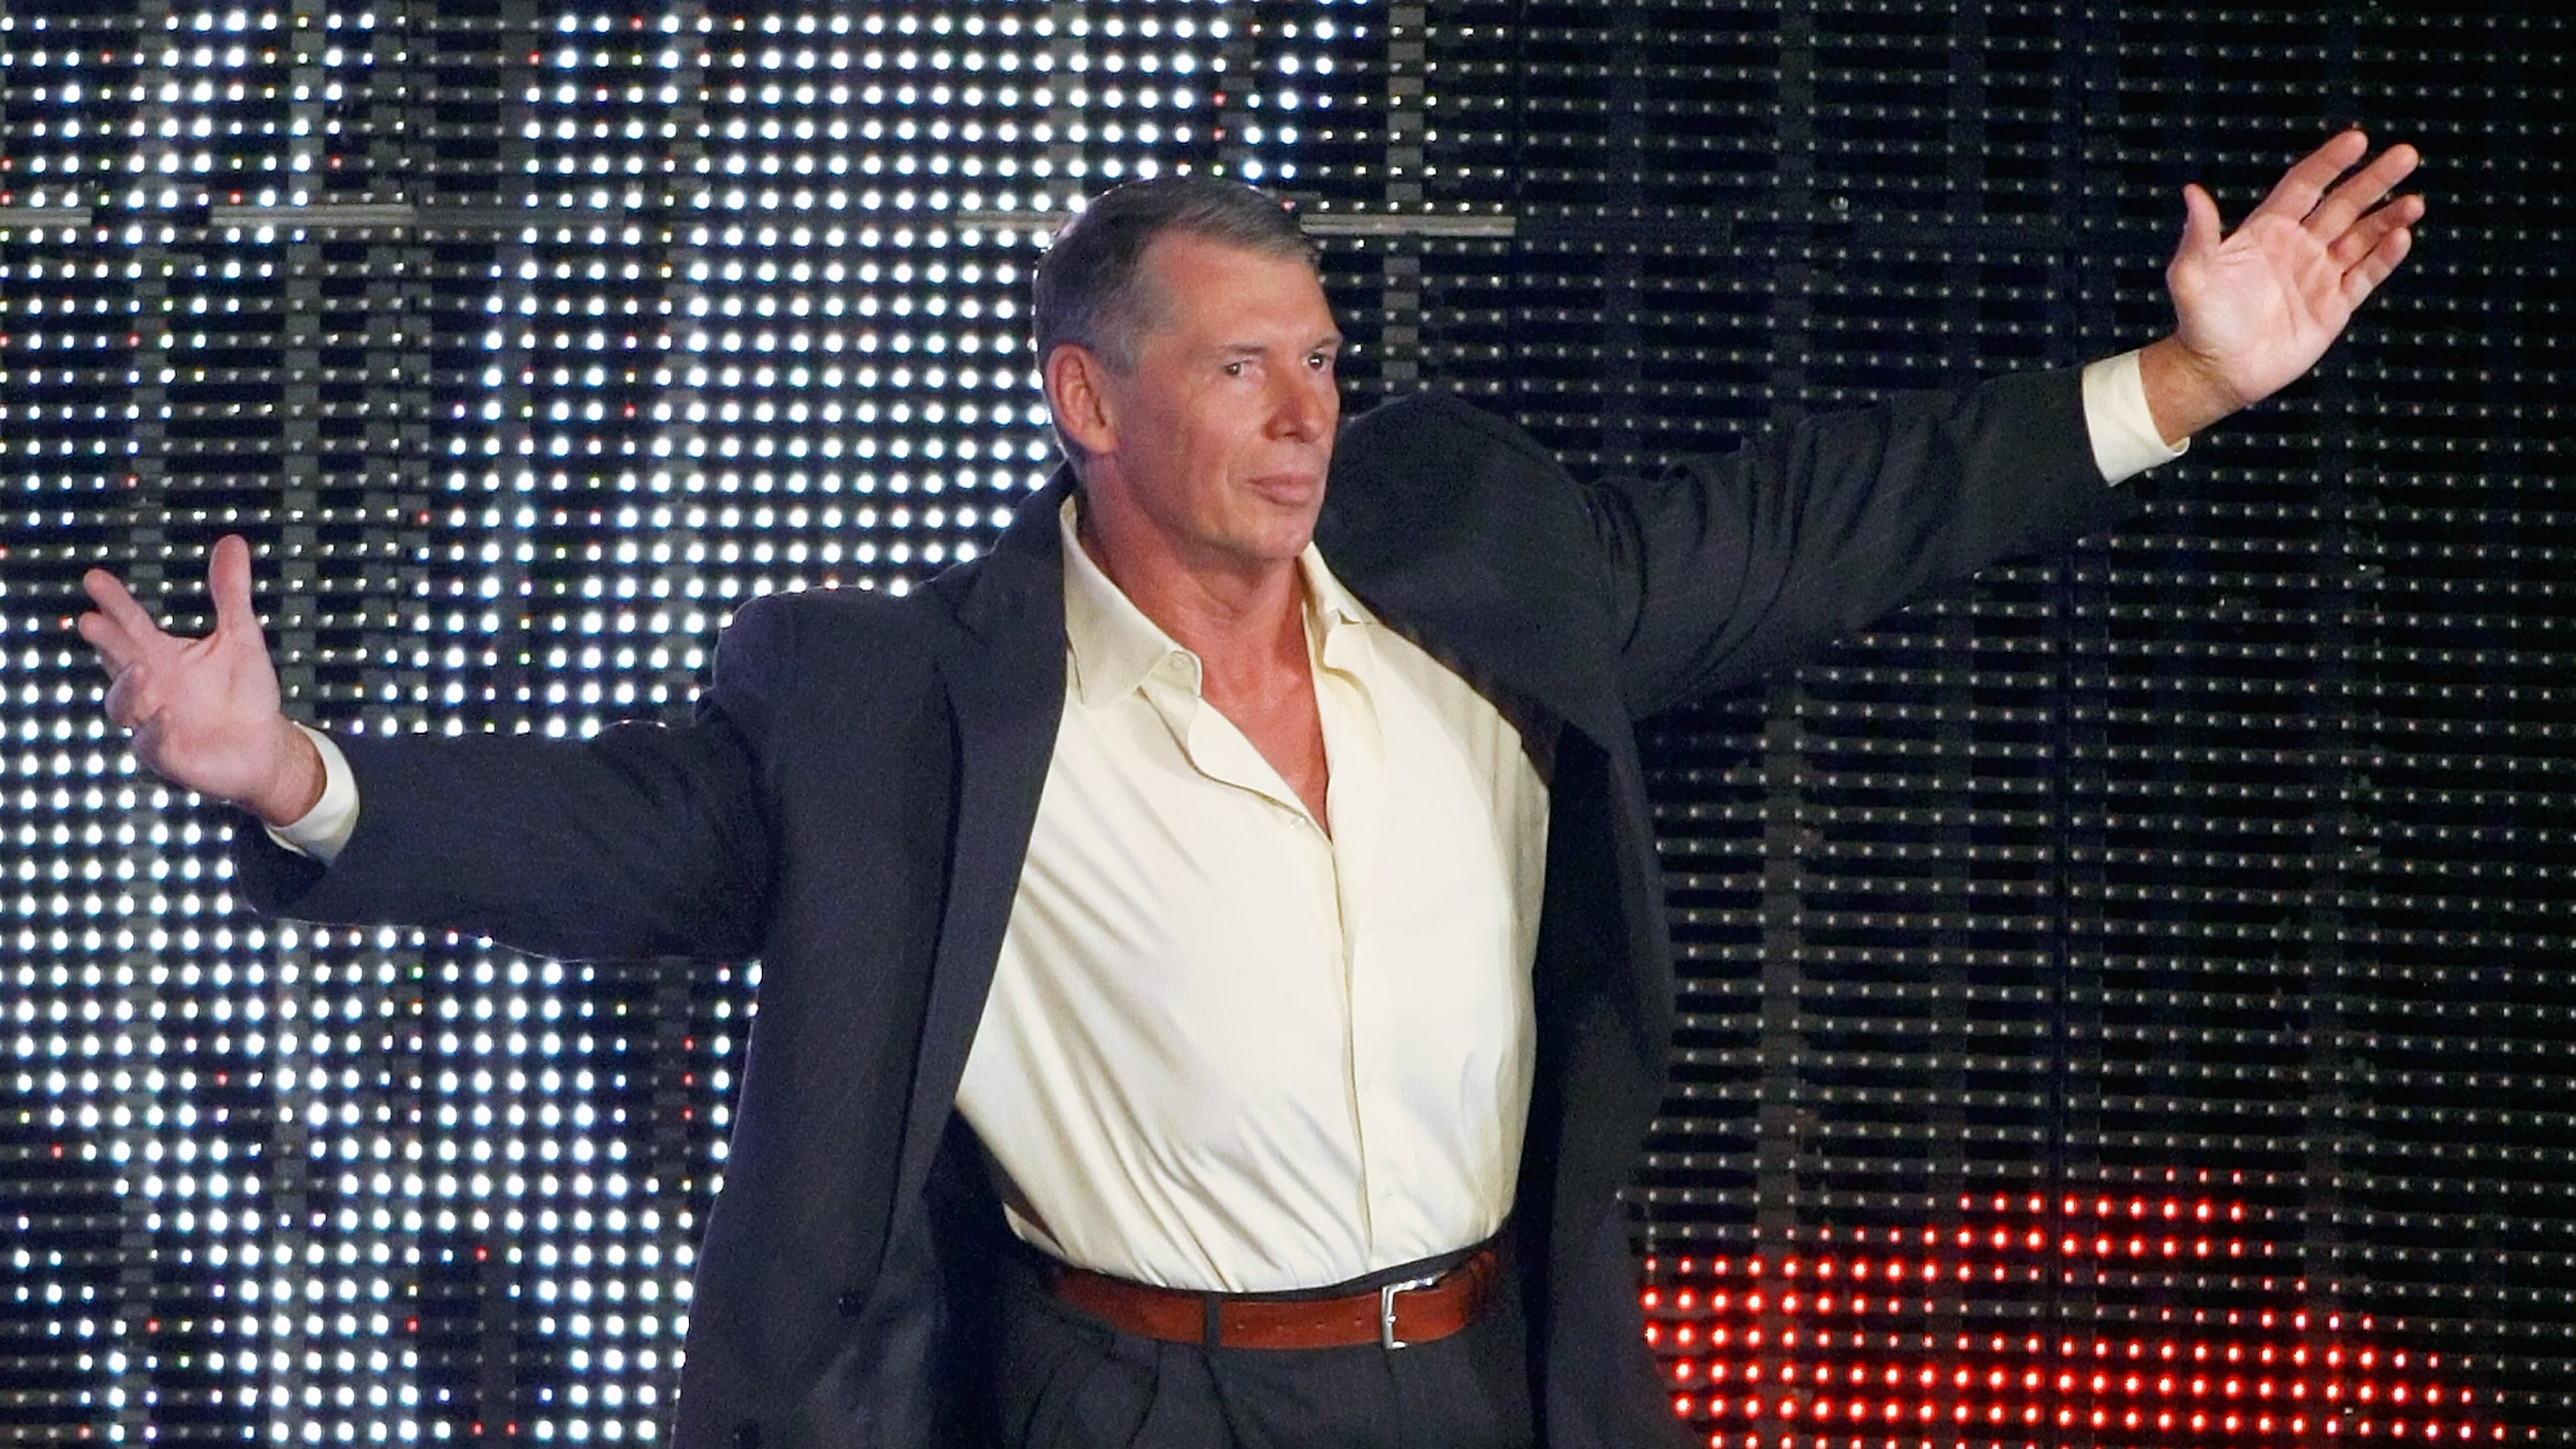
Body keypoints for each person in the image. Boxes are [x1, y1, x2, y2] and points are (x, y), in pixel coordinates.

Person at [79, 131, 2421, 1448]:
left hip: (1494, 1377)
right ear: (1090, 409)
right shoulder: (902, 707)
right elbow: (614, 843)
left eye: (1321, 359)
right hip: (1132, 1402)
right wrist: (288, 770)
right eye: (1243, 368)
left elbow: (1811, 527)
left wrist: (2175, 388)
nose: (1309, 411)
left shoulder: (1483, 567)